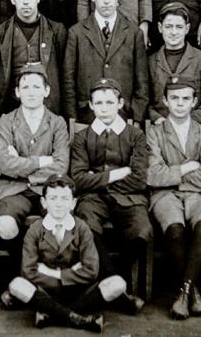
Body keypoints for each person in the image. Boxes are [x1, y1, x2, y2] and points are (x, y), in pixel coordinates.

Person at [7, 174, 134, 332]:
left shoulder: (82, 228)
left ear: (73, 203)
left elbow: (91, 271)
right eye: (53, 198)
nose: (59, 204)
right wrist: (71, 273)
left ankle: (53, 315)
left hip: (79, 291)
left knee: (117, 284)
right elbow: (28, 271)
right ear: (43, 202)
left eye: (64, 199)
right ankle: (78, 318)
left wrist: (54, 274)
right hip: (47, 292)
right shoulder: (35, 230)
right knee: (17, 285)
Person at [70, 78, 148, 314]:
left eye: (110, 102)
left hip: (129, 198)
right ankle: (119, 293)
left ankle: (111, 284)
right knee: (85, 227)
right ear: (91, 106)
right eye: (99, 103)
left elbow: (139, 179)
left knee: (142, 230)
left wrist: (98, 177)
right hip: (93, 200)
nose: (104, 108)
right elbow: (78, 179)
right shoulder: (82, 138)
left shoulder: (135, 135)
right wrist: (117, 174)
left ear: (120, 103)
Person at [0, 63, 69, 303]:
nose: (31, 92)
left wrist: (24, 165)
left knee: (58, 225)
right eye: (25, 87)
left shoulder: (57, 123)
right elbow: (5, 165)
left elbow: (61, 166)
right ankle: (32, 280)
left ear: (47, 91)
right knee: (6, 224)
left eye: (37, 86)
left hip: (48, 190)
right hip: (11, 189)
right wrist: (41, 161)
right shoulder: (6, 122)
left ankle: (27, 284)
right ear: (17, 92)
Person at [147, 77, 201, 318]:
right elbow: (153, 176)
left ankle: (184, 294)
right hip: (165, 195)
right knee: (174, 229)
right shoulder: (155, 133)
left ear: (194, 102)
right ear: (165, 101)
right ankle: (192, 292)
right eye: (174, 98)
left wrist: (172, 173)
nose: (179, 104)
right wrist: (187, 168)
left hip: (199, 194)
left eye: (186, 98)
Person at [64, 0, 148, 123]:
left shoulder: (134, 33)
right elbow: (68, 82)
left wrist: (136, 119)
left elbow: (142, 83)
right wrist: (73, 121)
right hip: (87, 118)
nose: (107, 0)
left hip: (124, 118)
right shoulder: (76, 33)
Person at [0, 0, 67, 116]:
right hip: (10, 110)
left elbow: (64, 75)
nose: (25, 1)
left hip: (47, 110)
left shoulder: (56, 31)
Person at [148, 2, 201, 125]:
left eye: (179, 27)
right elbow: (145, 101)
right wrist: (157, 119)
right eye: (169, 26)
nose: (174, 32)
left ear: (187, 29)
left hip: (194, 130)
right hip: (160, 130)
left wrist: (188, 121)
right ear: (160, 28)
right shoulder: (150, 61)